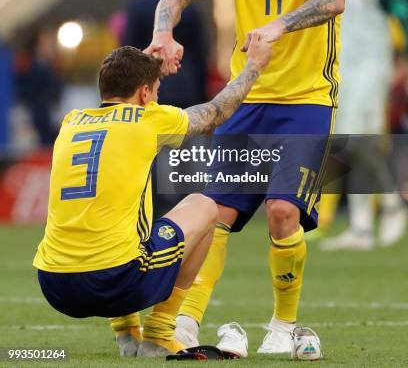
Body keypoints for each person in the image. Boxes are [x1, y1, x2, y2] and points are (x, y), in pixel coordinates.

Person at [146, 0, 348, 356]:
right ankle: (187, 319)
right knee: (214, 214)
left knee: (283, 212)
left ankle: (282, 327)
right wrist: (163, 32)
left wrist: (278, 25)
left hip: (306, 101)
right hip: (247, 102)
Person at [33, 40, 272, 358]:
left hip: (54, 284)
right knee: (205, 206)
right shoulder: (150, 120)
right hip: (112, 281)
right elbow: (217, 112)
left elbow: (125, 77)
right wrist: (254, 66)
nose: (157, 97)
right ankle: (159, 333)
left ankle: (127, 333)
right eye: (156, 90)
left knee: (119, 217)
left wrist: (150, 65)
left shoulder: (72, 121)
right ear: (145, 93)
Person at [319, 0, 407, 251]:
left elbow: (404, 16)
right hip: (341, 70)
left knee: (354, 139)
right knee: (353, 143)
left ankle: (385, 208)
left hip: (374, 67)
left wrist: (404, 63)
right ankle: (366, 224)